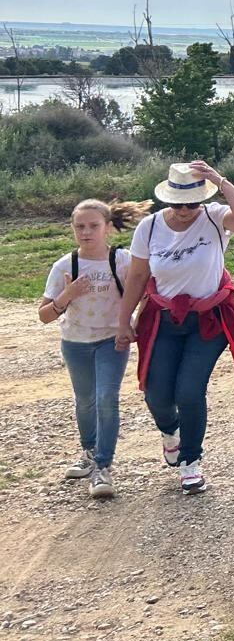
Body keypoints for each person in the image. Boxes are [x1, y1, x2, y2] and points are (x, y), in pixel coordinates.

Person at [115, 162, 234, 495]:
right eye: (176, 203)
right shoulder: (149, 228)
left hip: (207, 321)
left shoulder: (215, 218)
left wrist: (219, 181)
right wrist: (123, 321)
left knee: (190, 391)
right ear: (167, 199)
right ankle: (170, 433)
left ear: (201, 201)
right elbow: (137, 277)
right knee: (157, 393)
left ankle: (190, 463)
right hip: (163, 319)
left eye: (191, 203)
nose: (183, 210)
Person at [39, 199, 149, 499]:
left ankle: (103, 466)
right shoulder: (65, 265)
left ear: (108, 227)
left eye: (93, 226)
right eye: (80, 227)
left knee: (105, 398)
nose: (86, 232)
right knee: (85, 400)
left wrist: (133, 322)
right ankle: (88, 452)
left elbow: (146, 293)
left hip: (111, 341)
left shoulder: (123, 261)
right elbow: (44, 315)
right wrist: (67, 295)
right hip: (74, 343)